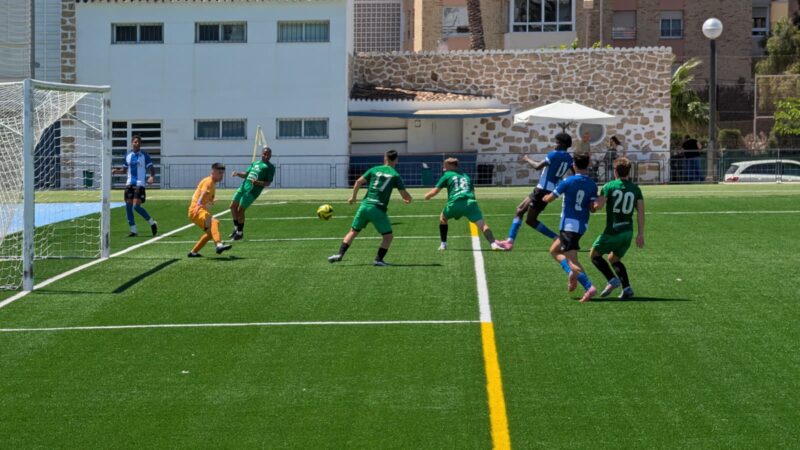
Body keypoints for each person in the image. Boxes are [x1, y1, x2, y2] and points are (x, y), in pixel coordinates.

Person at [328, 150, 412, 266]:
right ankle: (378, 260)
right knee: (388, 236)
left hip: (364, 206)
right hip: (377, 208)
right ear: (396, 160)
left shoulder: (374, 169)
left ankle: (339, 254)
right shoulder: (395, 175)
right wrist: (408, 198)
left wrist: (353, 197)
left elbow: (358, 182)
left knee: (353, 232)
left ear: (385, 158)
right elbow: (404, 194)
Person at [500, 132, 574, 250]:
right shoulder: (569, 158)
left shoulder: (554, 154)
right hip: (544, 189)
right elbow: (574, 172)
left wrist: (527, 158)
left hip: (542, 190)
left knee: (531, 220)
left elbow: (537, 166)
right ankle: (509, 241)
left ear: (562, 143)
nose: (555, 145)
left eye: (556, 142)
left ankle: (557, 239)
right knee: (519, 210)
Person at [542, 152, 599, 303]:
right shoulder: (592, 184)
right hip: (581, 226)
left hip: (568, 226)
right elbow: (592, 208)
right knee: (554, 250)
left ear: (573, 165)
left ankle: (589, 286)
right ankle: (571, 274)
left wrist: (544, 197)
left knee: (572, 260)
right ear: (588, 165)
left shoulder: (568, 181)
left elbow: (550, 198)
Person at [423, 157, 509, 251]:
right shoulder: (466, 176)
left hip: (455, 203)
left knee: (443, 218)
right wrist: (473, 205)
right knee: (482, 225)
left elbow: (435, 191)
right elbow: (472, 191)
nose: (443, 168)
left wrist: (427, 196)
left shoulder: (447, 175)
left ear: (451, 166)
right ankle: (493, 244)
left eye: (445, 166)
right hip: (470, 203)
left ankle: (443, 244)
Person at [589, 157, 644, 299]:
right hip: (628, 232)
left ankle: (612, 280)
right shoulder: (636, 189)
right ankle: (627, 289)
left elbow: (598, 206)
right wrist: (640, 234)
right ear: (629, 172)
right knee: (613, 258)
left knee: (594, 255)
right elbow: (641, 213)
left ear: (615, 171)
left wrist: (591, 204)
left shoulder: (609, 186)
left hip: (613, 231)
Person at [111, 135, 157, 237]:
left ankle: (152, 222)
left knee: (136, 206)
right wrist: (116, 171)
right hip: (129, 184)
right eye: (135, 142)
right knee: (128, 206)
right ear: (132, 143)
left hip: (140, 184)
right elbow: (124, 170)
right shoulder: (127, 155)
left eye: (138, 142)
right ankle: (133, 230)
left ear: (140, 144)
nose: (136, 143)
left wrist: (151, 177)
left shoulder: (144, 155)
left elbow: (152, 169)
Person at [229, 146, 276, 241]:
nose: (266, 156)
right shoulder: (255, 163)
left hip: (252, 191)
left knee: (240, 210)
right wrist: (237, 173)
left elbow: (268, 183)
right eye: (264, 154)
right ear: (261, 154)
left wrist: (257, 182)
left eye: (268, 155)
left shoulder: (270, 167)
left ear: (271, 155)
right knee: (232, 206)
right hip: (243, 187)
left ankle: (240, 233)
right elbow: (246, 174)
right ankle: (236, 228)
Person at [187, 163, 232, 257]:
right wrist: (198, 205)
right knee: (214, 222)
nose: (222, 175)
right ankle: (219, 244)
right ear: (213, 172)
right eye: (220, 173)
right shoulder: (209, 182)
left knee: (210, 233)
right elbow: (203, 193)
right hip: (197, 210)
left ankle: (193, 252)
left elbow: (206, 199)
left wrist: (210, 202)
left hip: (200, 211)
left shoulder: (212, 183)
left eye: (223, 173)